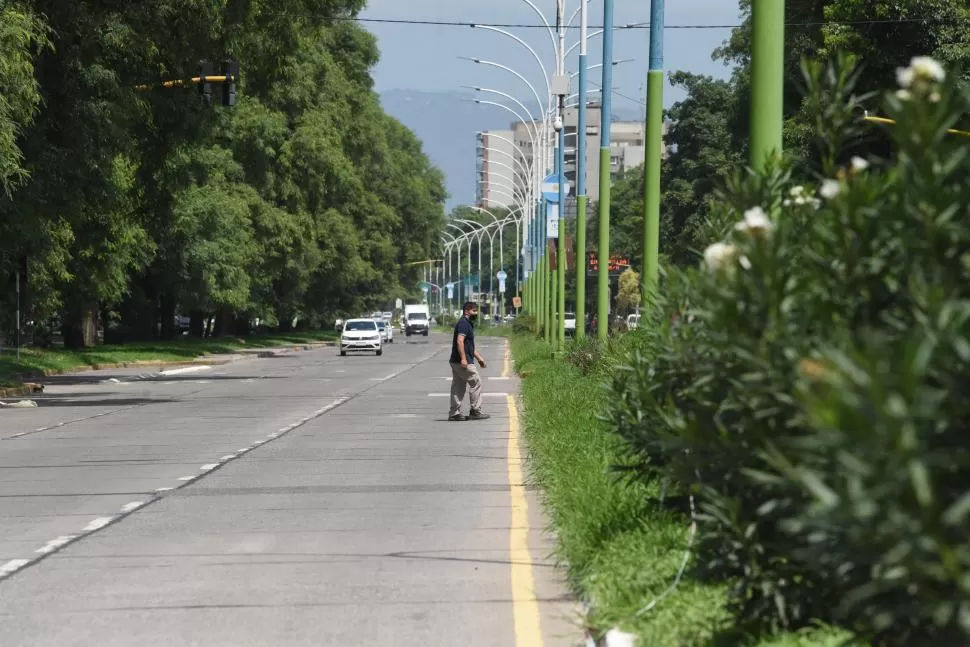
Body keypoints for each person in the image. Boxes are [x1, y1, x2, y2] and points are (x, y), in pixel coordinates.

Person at [448, 301, 489, 421]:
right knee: (476, 382)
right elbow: (460, 341)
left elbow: (469, 346)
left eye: (476, 310)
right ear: (467, 311)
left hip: (456, 360)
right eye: (474, 311)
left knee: (458, 386)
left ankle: (454, 413)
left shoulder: (467, 323)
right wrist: (464, 359)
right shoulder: (464, 324)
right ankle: (475, 411)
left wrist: (479, 358)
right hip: (461, 361)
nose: (476, 313)